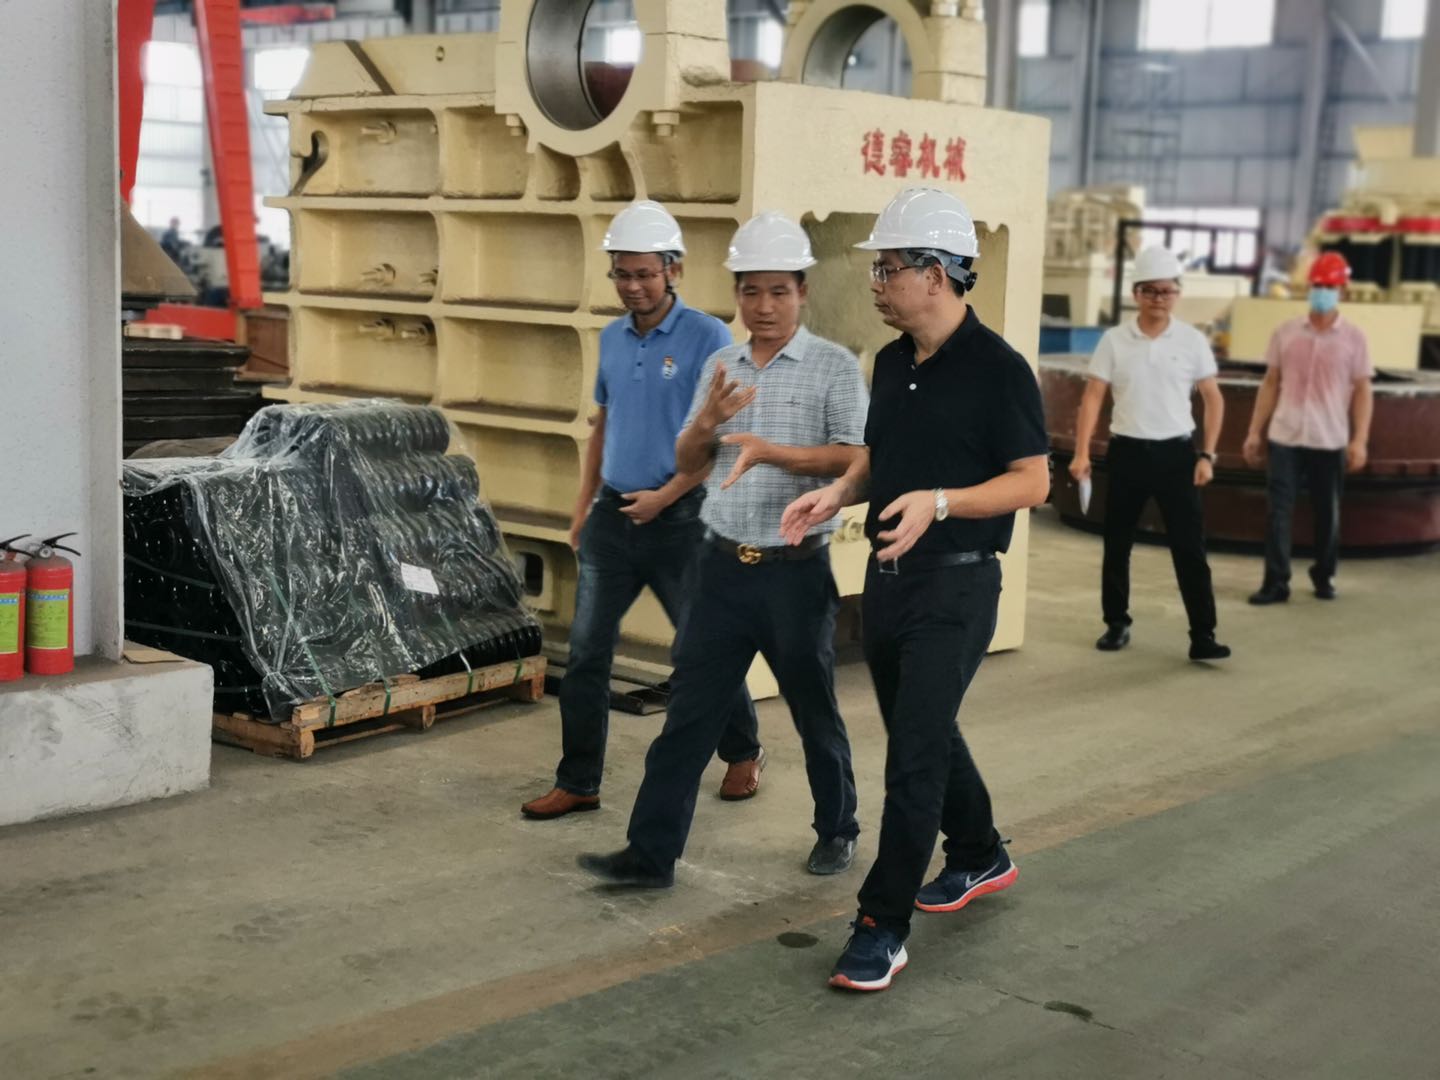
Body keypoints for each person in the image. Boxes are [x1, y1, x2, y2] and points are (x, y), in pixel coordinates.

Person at [780, 188, 1051, 991]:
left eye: (888, 268)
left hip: (958, 588)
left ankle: (881, 924)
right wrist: (840, 492)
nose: (876, 283)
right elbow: (882, 457)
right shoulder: (892, 362)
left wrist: (943, 503)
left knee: (913, 759)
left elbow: (1032, 481)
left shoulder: (1000, 370)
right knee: (921, 731)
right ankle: (979, 851)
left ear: (936, 274)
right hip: (889, 580)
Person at [576, 210, 869, 885]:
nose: (763, 306)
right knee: (687, 717)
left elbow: (856, 460)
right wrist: (705, 423)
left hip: (794, 571)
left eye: (778, 291)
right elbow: (690, 459)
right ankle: (650, 855)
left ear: (803, 292)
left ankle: (838, 828)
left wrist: (775, 453)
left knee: (814, 710)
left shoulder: (832, 368)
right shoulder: (719, 364)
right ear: (737, 292)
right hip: (719, 567)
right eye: (751, 291)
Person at [521, 201, 763, 822]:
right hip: (614, 516)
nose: (633, 286)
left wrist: (667, 496)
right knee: (585, 655)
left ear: (673, 270)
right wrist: (584, 509)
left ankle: (743, 751)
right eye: (622, 275)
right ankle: (578, 781)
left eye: (645, 274)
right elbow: (603, 426)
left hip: (682, 520)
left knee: (701, 648)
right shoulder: (610, 338)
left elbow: (723, 441)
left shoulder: (708, 338)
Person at [1069, 246, 1231, 661]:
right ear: (1136, 293)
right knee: (1117, 544)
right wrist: (1082, 453)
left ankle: (1203, 635)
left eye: (1166, 291)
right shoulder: (1114, 341)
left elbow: (1213, 399)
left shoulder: (1192, 341)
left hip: (1178, 457)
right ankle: (1116, 623)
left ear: (1177, 294)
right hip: (1127, 454)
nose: (1159, 298)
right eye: (1150, 290)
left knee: (1189, 548)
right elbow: (1093, 397)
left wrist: (1207, 456)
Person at [1243, 251, 1373, 604]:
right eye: (1317, 285)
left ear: (1342, 291)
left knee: (1328, 512)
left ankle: (1324, 575)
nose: (1322, 292)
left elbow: (1363, 390)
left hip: (1329, 438)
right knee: (1278, 511)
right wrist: (1255, 431)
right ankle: (1276, 582)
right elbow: (1271, 382)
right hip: (1285, 435)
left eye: (1329, 286)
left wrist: (1360, 440)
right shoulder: (1285, 333)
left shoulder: (1354, 338)